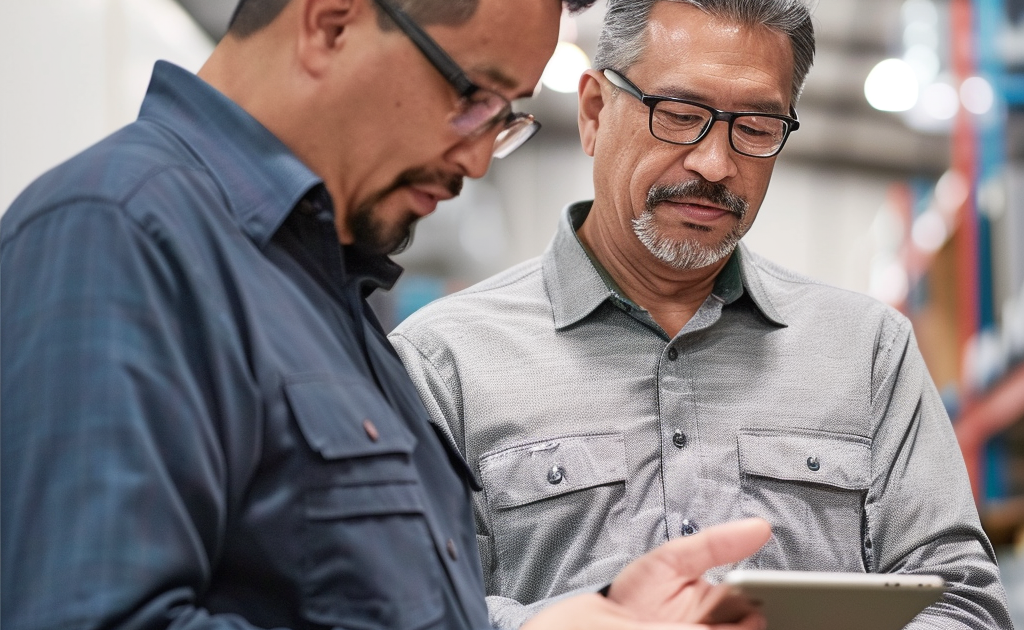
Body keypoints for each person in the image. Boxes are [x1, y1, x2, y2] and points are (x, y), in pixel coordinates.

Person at [0, 0, 778, 629]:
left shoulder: (316, 284)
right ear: (331, 23)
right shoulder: (118, 232)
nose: (477, 158)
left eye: (503, 117)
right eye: (473, 96)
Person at [388, 0, 1014, 628]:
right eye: (680, 115)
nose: (715, 164)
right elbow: (399, 605)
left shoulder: (869, 352)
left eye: (757, 129)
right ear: (593, 112)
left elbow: (962, 599)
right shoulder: (444, 362)